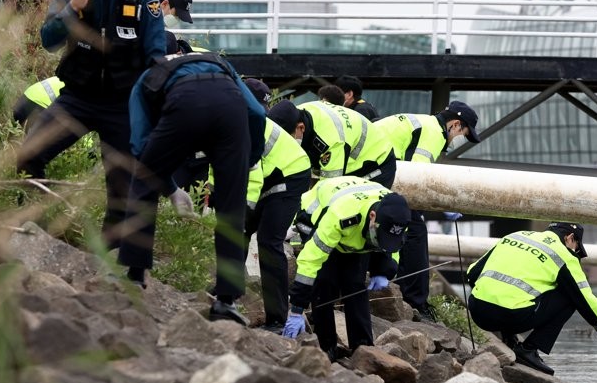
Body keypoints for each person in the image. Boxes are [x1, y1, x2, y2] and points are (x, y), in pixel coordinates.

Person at [17, 0, 165, 248]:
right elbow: (48, 40)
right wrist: (72, 10)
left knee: (122, 190)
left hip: (122, 105)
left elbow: (156, 56)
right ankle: (34, 230)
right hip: (77, 100)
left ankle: (104, 259)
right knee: (28, 155)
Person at [119, 50, 266, 324]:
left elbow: (140, 147)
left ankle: (136, 277)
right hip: (229, 107)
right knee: (231, 207)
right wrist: (250, 158)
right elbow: (257, 112)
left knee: (142, 181)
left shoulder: (145, 78)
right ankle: (226, 301)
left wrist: (171, 189)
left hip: (183, 102)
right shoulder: (219, 61)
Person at [466, 222, 597, 375]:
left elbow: (472, 273)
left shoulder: (515, 236)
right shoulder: (563, 255)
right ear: (570, 238)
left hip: (477, 312)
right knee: (571, 295)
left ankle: (508, 337)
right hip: (512, 317)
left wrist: (487, 298)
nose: (575, 251)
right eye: (576, 248)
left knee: (517, 295)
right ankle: (528, 350)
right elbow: (586, 299)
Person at [374, 101, 482, 319]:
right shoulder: (433, 134)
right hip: (377, 172)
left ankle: (402, 288)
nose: (457, 138)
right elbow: (417, 181)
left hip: (374, 169)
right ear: (454, 124)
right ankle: (415, 301)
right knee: (416, 231)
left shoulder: (426, 125)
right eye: (462, 133)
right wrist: (441, 208)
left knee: (409, 227)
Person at [285, 176, 411, 360]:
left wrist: (383, 271)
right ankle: (325, 347)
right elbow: (310, 260)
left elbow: (393, 247)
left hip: (355, 234)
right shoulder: (342, 215)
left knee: (354, 283)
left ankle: (363, 348)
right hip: (317, 216)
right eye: (380, 236)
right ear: (372, 217)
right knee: (324, 282)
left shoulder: (398, 216)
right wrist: (296, 308)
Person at [246, 95, 312, 333]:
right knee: (239, 230)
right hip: (269, 173)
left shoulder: (240, 125)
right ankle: (225, 294)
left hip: (291, 174)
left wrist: (246, 205)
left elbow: (252, 172)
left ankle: (277, 319)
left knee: (268, 241)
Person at [265, 99, 396, 188]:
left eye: (289, 138)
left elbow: (330, 187)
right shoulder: (294, 114)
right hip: (348, 158)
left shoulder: (331, 140)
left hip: (376, 164)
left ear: (301, 127)